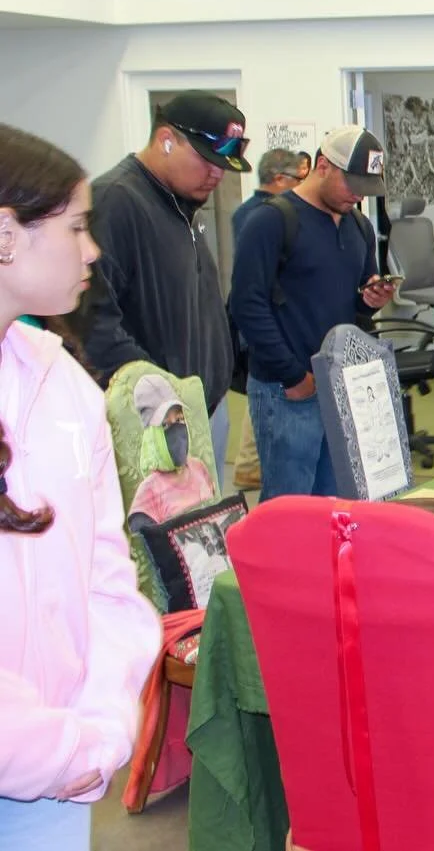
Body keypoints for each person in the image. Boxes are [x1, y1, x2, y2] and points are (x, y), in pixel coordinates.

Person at [0, 123, 160, 849]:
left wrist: (100, 729)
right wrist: (54, 749)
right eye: (73, 227)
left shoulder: (63, 382)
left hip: (60, 776)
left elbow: (108, 578)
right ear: (6, 233)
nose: (92, 250)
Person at [82, 91, 245, 479]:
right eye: (206, 160)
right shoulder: (116, 201)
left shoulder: (179, 202)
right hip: (159, 421)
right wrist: (161, 400)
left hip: (202, 410)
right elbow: (93, 324)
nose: (216, 174)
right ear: (165, 140)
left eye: (222, 164)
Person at [230, 126, 395, 501]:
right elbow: (246, 304)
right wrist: (293, 376)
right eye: (351, 184)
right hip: (286, 390)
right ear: (322, 165)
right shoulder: (271, 221)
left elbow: (353, 309)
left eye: (365, 188)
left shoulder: (359, 226)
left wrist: (369, 300)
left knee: (336, 503)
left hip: (339, 386)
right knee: (290, 510)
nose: (357, 195)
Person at [230, 148, 303, 491]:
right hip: (265, 327)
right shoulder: (263, 216)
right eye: (298, 180)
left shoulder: (248, 211)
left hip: (266, 325)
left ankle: (247, 465)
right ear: (279, 179)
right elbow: (254, 292)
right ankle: (248, 465)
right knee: (262, 396)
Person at [126, 374, 217, 535]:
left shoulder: (199, 468)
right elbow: (149, 553)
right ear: (152, 436)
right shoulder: (148, 493)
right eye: (166, 425)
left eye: (180, 420)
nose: (177, 431)